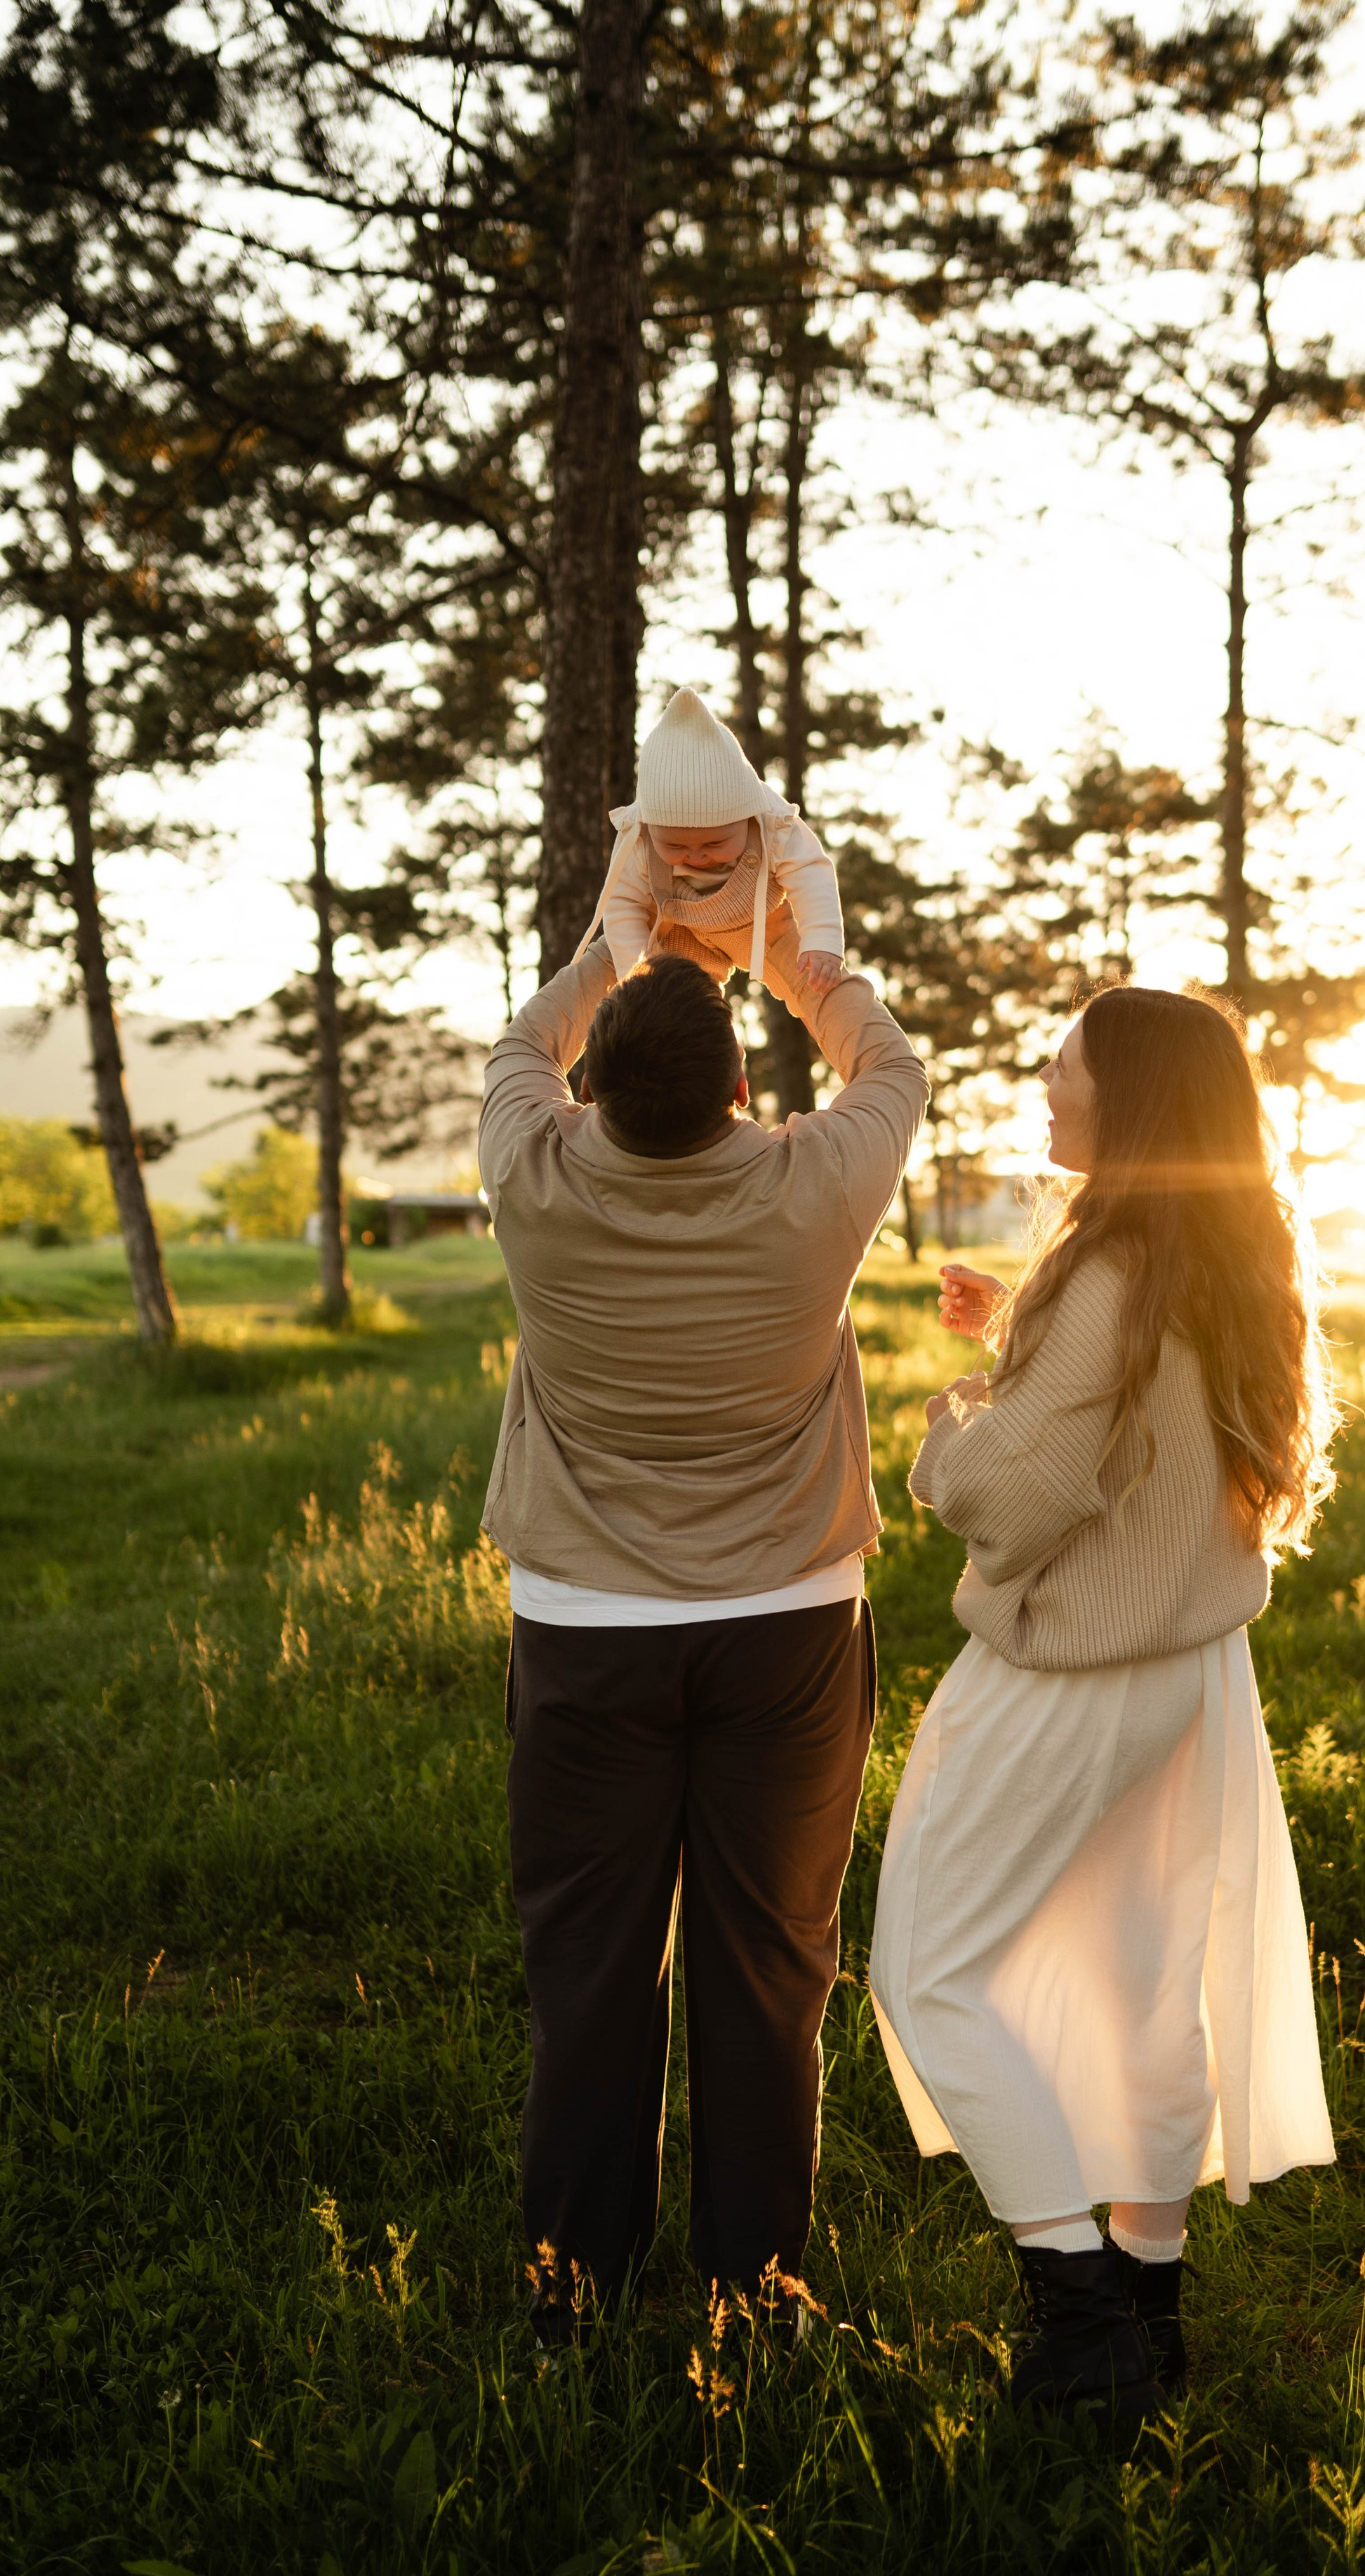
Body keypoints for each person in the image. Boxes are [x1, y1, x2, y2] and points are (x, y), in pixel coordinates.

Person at [870, 984, 1338, 2438]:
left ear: (1124, 1098)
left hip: (1070, 1673)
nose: (1043, 1082)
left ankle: (1075, 2319)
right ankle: (1146, 2308)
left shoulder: (1114, 1269)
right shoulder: (1219, 1249)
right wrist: (1024, 1334)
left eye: (1061, 1063)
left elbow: (1014, 1495)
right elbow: (1144, 1414)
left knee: (928, 1968)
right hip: (1192, 1678)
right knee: (1145, 1989)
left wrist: (954, 1421)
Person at [478, 847, 926, 2340]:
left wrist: (616, 940)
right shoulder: (817, 1183)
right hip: (789, 1634)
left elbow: (518, 1045)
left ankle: (568, 2291)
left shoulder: (529, 1178)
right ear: (744, 1095)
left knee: (592, 1967)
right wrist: (803, 943)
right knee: (769, 1964)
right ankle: (757, 2288)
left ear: (592, 1094)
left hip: (587, 1636)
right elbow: (888, 1061)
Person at [575, 686, 846, 993]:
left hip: (761, 925)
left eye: (714, 844)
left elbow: (811, 872)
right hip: (675, 935)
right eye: (675, 846)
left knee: (828, 992)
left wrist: (823, 938)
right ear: (650, 829)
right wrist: (637, 974)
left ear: (746, 818)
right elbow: (622, 904)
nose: (696, 856)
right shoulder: (638, 837)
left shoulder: (773, 822)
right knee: (686, 1009)